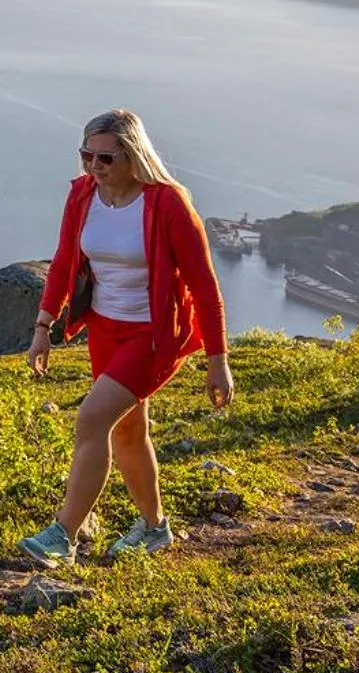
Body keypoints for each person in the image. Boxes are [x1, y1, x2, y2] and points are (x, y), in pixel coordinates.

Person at [19, 109, 233, 568]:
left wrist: (218, 360)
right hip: (104, 329)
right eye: (86, 156)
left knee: (93, 419)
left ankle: (63, 536)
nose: (93, 166)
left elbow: (204, 285)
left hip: (154, 336)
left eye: (105, 158)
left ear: (133, 155)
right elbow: (64, 261)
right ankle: (155, 528)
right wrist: (43, 327)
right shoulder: (82, 194)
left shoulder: (167, 203)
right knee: (129, 433)